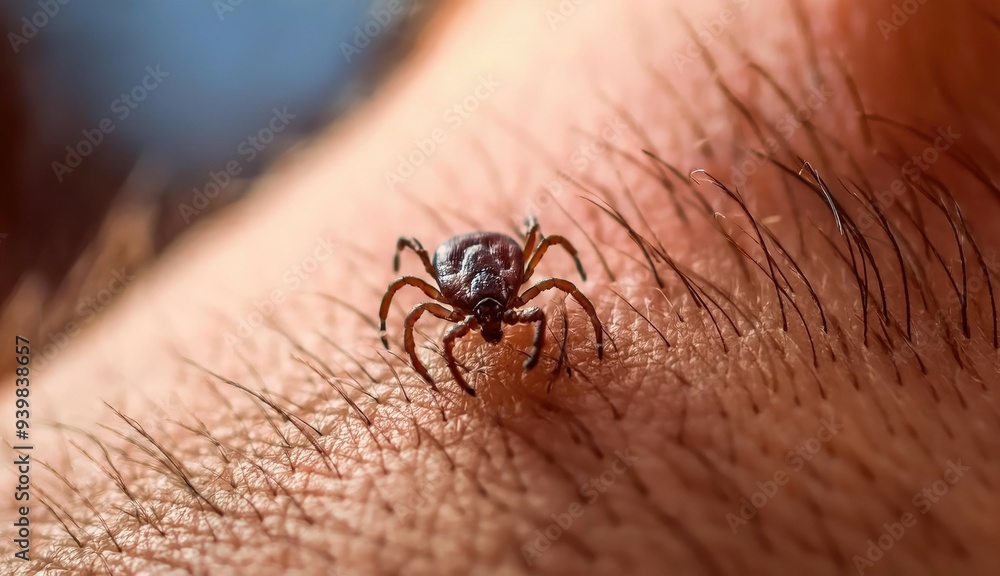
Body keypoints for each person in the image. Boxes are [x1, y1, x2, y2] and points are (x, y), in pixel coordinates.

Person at [4, 1, 999, 574]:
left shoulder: (495, 298)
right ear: (470, 311)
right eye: (477, 322)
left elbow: (524, 285)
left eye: (489, 318)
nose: (482, 331)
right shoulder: (482, 299)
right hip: (466, 249)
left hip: (470, 248)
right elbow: (483, 286)